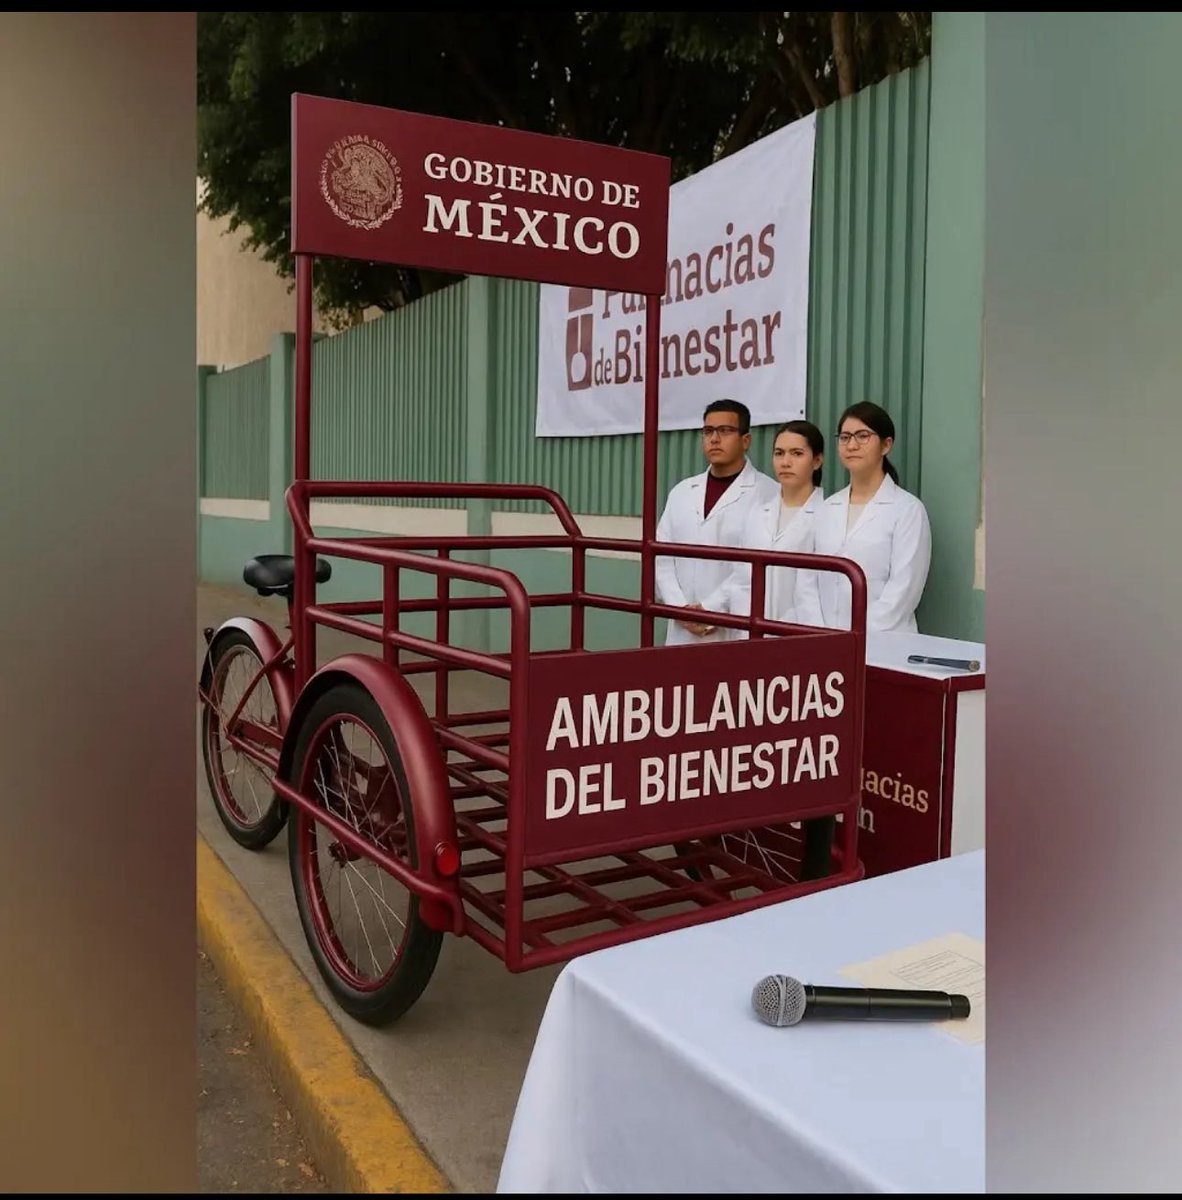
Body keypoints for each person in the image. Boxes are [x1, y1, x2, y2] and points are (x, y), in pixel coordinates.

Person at [795, 401, 931, 633]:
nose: (852, 445)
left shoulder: (908, 510)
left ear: (886, 445)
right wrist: (819, 634)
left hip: (883, 644)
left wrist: (857, 638)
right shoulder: (826, 509)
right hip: (825, 643)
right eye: (845, 437)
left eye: (863, 436)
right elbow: (806, 580)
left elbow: (904, 590)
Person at [654, 399, 779, 646]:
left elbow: (754, 569)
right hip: (682, 626)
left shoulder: (769, 493)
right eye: (708, 431)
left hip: (732, 627)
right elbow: (661, 557)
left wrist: (710, 609)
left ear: (746, 440)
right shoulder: (682, 492)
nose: (714, 439)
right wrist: (682, 609)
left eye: (725, 431)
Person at [703, 419, 826, 631]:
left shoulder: (827, 516)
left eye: (797, 453)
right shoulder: (758, 513)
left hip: (798, 635)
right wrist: (707, 608)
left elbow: (818, 593)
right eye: (779, 453)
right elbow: (741, 576)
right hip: (749, 633)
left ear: (816, 461)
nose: (785, 462)